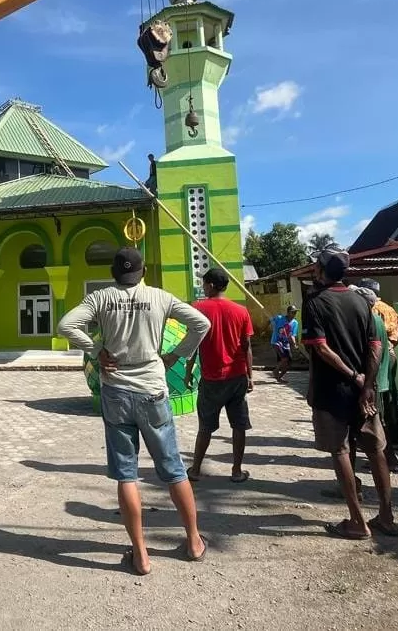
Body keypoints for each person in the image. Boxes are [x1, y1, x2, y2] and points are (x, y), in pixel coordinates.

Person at [57, 246, 210, 574]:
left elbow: (66, 325)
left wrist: (97, 349)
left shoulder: (101, 298)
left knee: (126, 473)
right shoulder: (160, 297)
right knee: (173, 468)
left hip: (116, 391)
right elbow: (202, 324)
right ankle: (194, 541)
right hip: (153, 389)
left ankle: (140, 555)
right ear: (142, 272)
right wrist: (176, 355)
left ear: (115, 273)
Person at [302, 244, 398, 540]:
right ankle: (387, 516)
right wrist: (367, 384)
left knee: (341, 451)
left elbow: (320, 346)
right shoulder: (361, 301)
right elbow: (376, 345)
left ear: (319, 269)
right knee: (376, 450)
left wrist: (354, 377)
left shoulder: (314, 301)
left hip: (333, 391)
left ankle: (357, 521)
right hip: (364, 393)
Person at [184, 268, 254, 483]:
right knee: (239, 426)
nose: (203, 288)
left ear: (211, 285)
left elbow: (192, 345)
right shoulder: (241, 311)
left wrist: (188, 373)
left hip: (211, 379)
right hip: (236, 377)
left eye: (204, 284)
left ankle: (195, 470)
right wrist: (250, 375)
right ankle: (236, 471)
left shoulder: (198, 309)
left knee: (205, 426)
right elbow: (247, 346)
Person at [358, 278, 398, 463]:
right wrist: (393, 344)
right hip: (389, 354)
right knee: (390, 399)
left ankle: (382, 450)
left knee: (376, 402)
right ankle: (393, 440)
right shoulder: (388, 307)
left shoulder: (371, 312)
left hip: (376, 358)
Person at [270, 304, 300, 381]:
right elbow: (269, 320)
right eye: (292, 312)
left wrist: (294, 345)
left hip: (286, 344)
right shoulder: (279, 318)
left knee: (289, 362)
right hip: (276, 342)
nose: (294, 314)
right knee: (284, 359)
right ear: (288, 312)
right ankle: (276, 371)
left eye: (295, 312)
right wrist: (265, 329)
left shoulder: (295, 323)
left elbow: (292, 335)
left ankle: (280, 377)